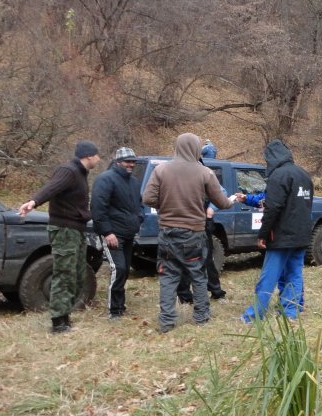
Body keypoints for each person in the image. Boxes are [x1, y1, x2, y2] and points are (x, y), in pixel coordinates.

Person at [141, 133, 234, 333]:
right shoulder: (205, 173)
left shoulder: (161, 170)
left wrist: (164, 204)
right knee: (198, 275)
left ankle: (166, 322)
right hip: (194, 234)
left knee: (168, 277)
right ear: (196, 149)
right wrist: (232, 200)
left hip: (167, 234)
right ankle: (201, 317)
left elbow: (147, 198)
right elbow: (222, 203)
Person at [18, 140, 102, 334]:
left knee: (76, 273)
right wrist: (33, 201)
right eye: (97, 155)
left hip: (76, 229)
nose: (99, 159)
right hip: (65, 230)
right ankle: (58, 323)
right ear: (88, 156)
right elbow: (51, 188)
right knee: (64, 274)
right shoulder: (69, 171)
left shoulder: (80, 173)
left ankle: (65, 316)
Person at [241, 139, 313, 322]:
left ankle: (254, 315)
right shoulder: (304, 175)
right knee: (294, 273)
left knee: (269, 276)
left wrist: (262, 235)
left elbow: (272, 208)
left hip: (281, 237)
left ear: (271, 158)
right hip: (301, 236)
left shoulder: (278, 176)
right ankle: (291, 312)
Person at [90, 147, 143, 319]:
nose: (131, 164)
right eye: (128, 161)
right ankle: (114, 310)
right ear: (118, 162)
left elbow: (139, 204)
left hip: (129, 234)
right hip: (113, 234)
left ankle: (120, 306)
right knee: (118, 269)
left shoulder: (134, 182)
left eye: (133, 161)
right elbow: (98, 209)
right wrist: (107, 232)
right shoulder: (105, 179)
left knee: (125, 270)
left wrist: (139, 218)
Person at [177, 140, 227, 303]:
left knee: (206, 258)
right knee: (183, 260)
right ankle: (184, 296)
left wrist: (212, 207)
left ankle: (216, 291)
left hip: (202, 222)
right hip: (182, 222)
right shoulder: (176, 171)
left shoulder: (204, 170)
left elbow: (221, 191)